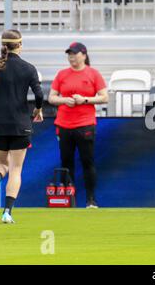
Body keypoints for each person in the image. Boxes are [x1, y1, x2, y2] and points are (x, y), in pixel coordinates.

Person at [0, 29, 44, 223]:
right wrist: (38, 109)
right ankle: (7, 212)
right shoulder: (28, 68)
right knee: (15, 169)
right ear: (20, 45)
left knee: (1, 164)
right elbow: (39, 95)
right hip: (21, 125)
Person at [48, 42, 108, 208]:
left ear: (83, 54)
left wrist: (85, 100)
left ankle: (90, 200)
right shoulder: (62, 74)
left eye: (74, 53)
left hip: (85, 124)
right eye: (69, 54)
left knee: (87, 162)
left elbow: (104, 97)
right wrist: (64, 100)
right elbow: (51, 97)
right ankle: (67, 200)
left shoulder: (93, 74)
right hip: (64, 124)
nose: (71, 57)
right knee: (66, 162)